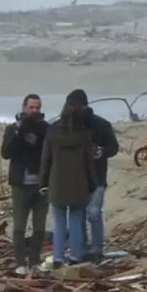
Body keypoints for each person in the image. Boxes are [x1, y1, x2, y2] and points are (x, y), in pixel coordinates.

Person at [38, 95, 99, 269]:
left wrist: (43, 182)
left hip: (57, 184)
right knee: (75, 221)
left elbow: (46, 160)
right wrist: (92, 184)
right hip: (79, 185)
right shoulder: (86, 135)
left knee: (58, 222)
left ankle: (58, 257)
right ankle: (75, 256)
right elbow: (89, 164)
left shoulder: (52, 132)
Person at [62, 88, 119, 263]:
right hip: (75, 178)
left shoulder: (101, 125)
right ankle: (81, 247)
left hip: (97, 176)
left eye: (76, 106)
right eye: (70, 106)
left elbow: (113, 147)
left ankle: (97, 248)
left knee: (94, 213)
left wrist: (102, 151)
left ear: (85, 106)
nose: (74, 110)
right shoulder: (66, 125)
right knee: (77, 214)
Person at [0, 93, 48, 274]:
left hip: (41, 183)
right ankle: (20, 262)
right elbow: (6, 153)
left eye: (37, 108)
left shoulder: (45, 128)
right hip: (20, 183)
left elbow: (47, 152)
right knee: (19, 226)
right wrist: (20, 134)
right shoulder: (13, 128)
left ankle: (35, 260)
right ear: (24, 108)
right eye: (31, 107)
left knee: (40, 226)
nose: (34, 111)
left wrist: (37, 138)